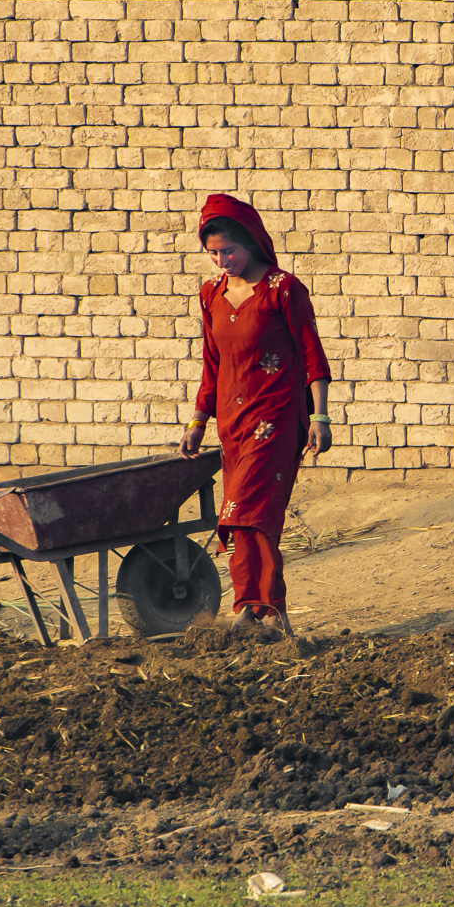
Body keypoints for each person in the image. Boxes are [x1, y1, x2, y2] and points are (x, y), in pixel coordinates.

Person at [178, 194, 332, 635]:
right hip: (232, 421)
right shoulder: (210, 294)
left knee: (250, 507)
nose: (222, 260)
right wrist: (198, 422)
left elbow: (312, 355)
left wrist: (319, 416)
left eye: (229, 250)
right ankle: (251, 607)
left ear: (252, 243)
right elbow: (212, 364)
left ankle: (266, 609)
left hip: (277, 415)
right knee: (236, 511)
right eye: (214, 254)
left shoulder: (283, 289)